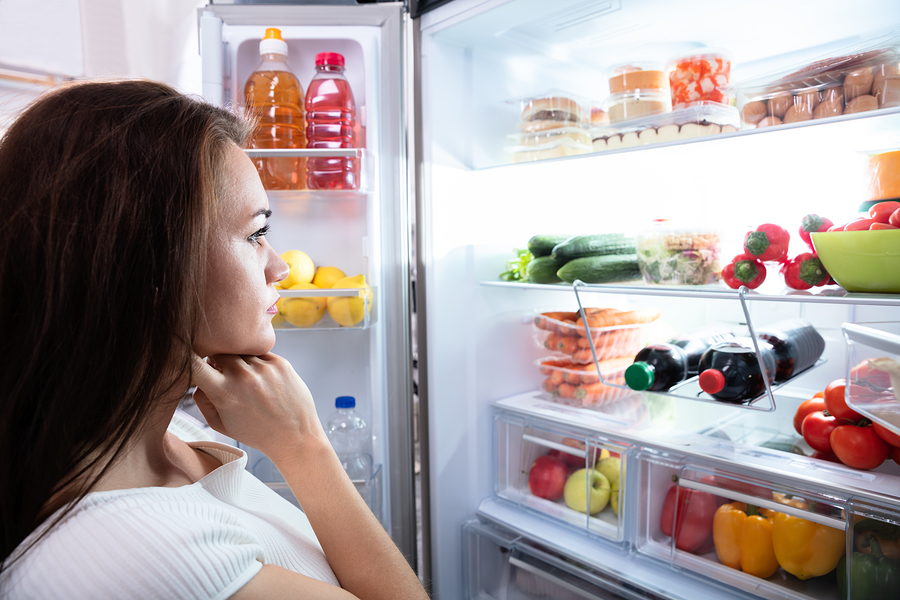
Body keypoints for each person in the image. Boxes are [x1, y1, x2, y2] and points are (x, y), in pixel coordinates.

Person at [0, 79, 429, 600]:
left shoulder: (169, 432)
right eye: (256, 234)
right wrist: (304, 444)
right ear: (155, 271)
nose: (279, 268)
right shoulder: (147, 559)